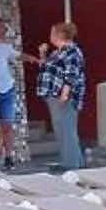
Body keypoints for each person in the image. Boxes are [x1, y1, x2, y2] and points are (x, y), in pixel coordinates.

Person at [37, 21, 88, 170]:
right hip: (52, 95)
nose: (50, 36)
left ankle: (71, 164)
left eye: (52, 33)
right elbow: (45, 68)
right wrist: (42, 53)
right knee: (62, 129)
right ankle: (74, 161)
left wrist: (64, 95)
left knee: (67, 130)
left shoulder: (71, 52)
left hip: (64, 97)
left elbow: (70, 76)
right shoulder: (58, 52)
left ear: (59, 35)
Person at [0, 25, 21, 152]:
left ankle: (9, 156)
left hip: (7, 89)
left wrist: (34, 58)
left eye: (2, 28)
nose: (2, 31)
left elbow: (19, 55)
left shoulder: (5, 47)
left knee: (7, 126)